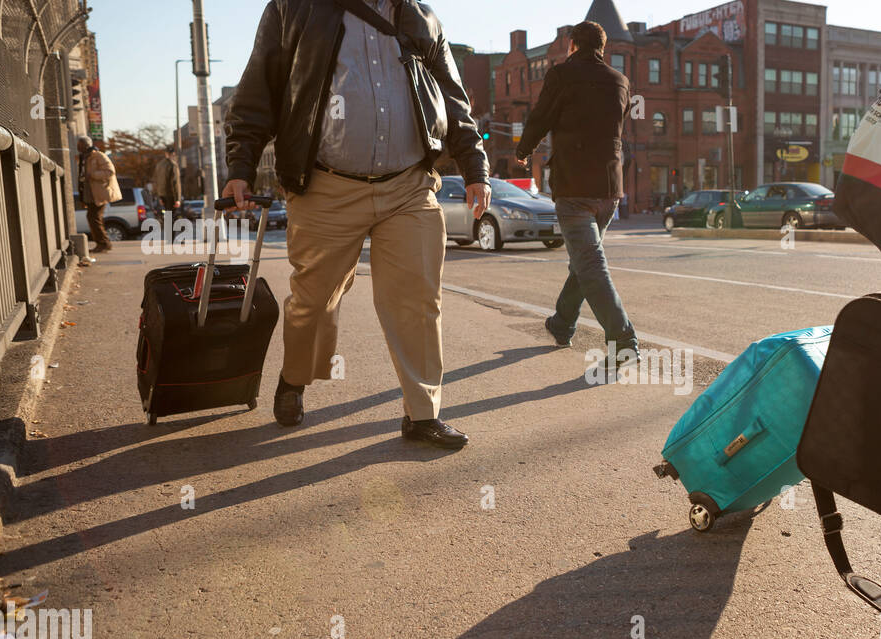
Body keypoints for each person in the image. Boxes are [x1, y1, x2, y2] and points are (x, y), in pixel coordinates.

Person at [222, 0, 490, 448]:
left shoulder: (420, 17)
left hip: (408, 185)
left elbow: (454, 99)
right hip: (325, 187)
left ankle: (422, 414)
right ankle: (295, 377)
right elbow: (256, 93)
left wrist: (475, 169)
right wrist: (240, 166)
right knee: (314, 299)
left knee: (418, 302)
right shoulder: (293, 9)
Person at [516, 21, 637, 362]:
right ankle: (562, 323)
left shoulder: (561, 75)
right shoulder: (621, 81)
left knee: (590, 263)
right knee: (585, 261)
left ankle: (623, 340)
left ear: (572, 45)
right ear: (602, 48)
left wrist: (525, 149)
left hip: (574, 186)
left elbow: (541, 116)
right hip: (610, 189)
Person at [76, 135, 121, 254]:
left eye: (79, 145)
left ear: (86, 145)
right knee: (93, 218)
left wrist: (92, 175)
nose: (77, 147)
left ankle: (104, 244)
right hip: (90, 194)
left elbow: (110, 171)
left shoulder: (98, 156)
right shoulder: (84, 158)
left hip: (100, 193)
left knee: (94, 217)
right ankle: (103, 243)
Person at [153, 145, 182, 217]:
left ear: (166, 154)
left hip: (161, 195)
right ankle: (169, 228)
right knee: (172, 217)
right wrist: (177, 199)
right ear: (173, 154)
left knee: (166, 216)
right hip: (171, 196)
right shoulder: (173, 165)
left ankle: (167, 227)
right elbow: (175, 182)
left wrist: (159, 196)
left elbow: (156, 181)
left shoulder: (159, 165)